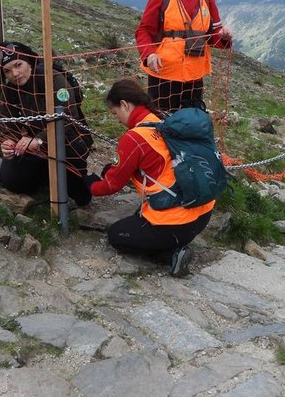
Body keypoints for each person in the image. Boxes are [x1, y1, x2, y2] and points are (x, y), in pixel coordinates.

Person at [85, 78, 215, 277]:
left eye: (115, 113)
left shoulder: (134, 137)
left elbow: (111, 185)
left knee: (117, 235)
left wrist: (88, 185)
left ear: (124, 105)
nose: (117, 119)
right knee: (140, 217)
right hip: (202, 213)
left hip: (176, 224)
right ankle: (172, 242)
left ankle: (172, 254)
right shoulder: (160, 120)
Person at [0, 42, 93, 207]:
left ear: (29, 62)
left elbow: (68, 118)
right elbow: (7, 122)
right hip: (34, 146)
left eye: (18, 65)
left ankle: (71, 176)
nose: (15, 73)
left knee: (81, 197)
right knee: (11, 180)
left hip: (68, 142)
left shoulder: (53, 78)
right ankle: (44, 174)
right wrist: (9, 142)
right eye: (7, 70)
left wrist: (39, 140)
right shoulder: (9, 91)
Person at [135, 0, 232, 112]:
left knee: (191, 122)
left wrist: (224, 36)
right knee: (161, 121)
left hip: (194, 76)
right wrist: (149, 54)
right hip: (163, 74)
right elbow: (143, 31)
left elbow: (214, 36)